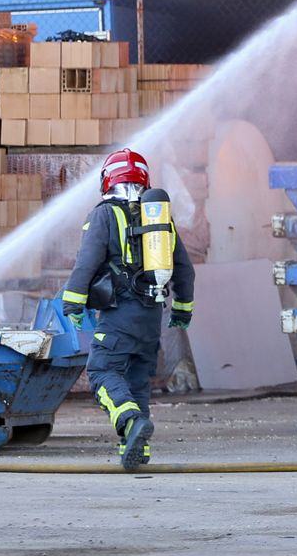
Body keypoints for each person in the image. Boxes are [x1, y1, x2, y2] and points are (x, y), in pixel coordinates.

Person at [62, 148, 196, 470]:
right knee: (137, 379)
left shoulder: (103, 215)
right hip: (152, 315)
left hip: (120, 313)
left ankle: (129, 421)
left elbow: (86, 263)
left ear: (108, 180)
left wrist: (73, 302)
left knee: (101, 370)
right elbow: (185, 269)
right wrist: (182, 310)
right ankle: (137, 448)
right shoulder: (159, 220)